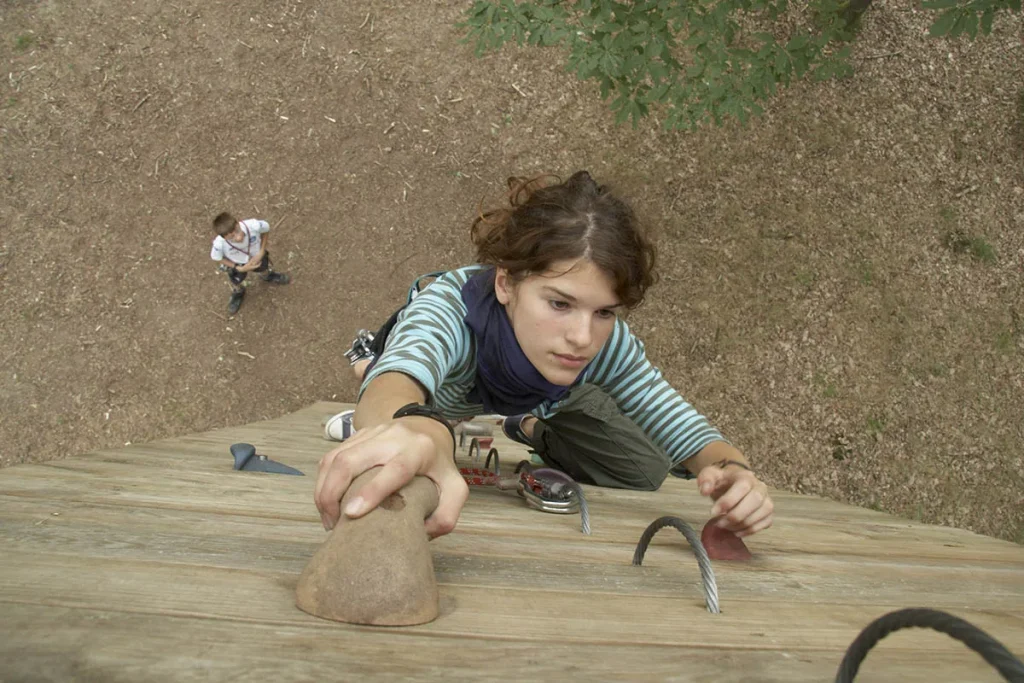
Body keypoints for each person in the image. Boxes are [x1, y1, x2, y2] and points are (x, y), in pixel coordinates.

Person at [315, 172, 774, 540]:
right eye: (559, 303)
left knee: (645, 468)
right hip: (442, 396)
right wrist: (419, 430)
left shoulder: (603, 342)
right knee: (396, 411)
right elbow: (395, 382)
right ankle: (366, 356)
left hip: (545, 397)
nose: (582, 337)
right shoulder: (450, 310)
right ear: (506, 284)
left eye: (605, 312)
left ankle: (526, 426)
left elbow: (673, 417)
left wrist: (732, 471)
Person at [210, 212, 290, 314]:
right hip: (238, 264)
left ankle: (267, 276)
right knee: (236, 280)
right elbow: (217, 258)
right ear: (223, 238)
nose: (238, 238)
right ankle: (238, 291)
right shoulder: (219, 244)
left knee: (263, 267)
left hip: (257, 257)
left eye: (237, 231)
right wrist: (238, 268)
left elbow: (266, 229)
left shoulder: (253, 225)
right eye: (231, 238)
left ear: (238, 222)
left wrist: (261, 251)